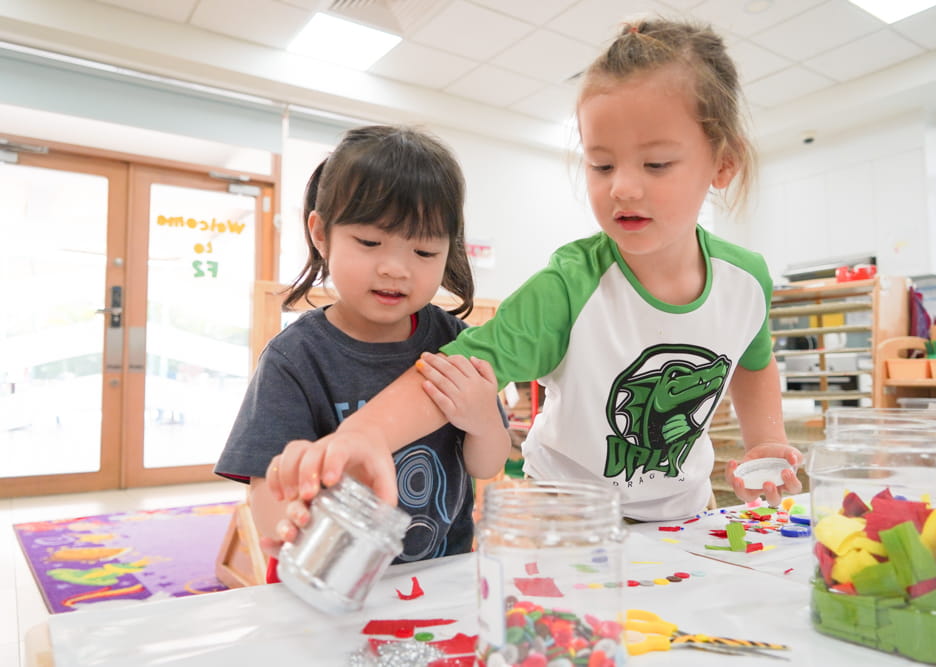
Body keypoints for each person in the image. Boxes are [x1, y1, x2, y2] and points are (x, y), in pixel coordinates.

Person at [265, 17, 803, 548]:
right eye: (601, 165)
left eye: (656, 164)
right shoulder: (568, 286)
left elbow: (752, 364)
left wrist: (767, 440)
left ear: (723, 162)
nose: (624, 188)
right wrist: (362, 436)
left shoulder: (745, 279)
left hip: (684, 513)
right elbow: (453, 373)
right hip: (561, 517)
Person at [215, 125, 511, 572]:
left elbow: (486, 466)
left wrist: (484, 421)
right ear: (320, 233)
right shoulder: (296, 356)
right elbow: (268, 486)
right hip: (333, 575)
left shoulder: (454, 342)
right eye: (370, 243)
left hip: (440, 575)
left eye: (425, 252)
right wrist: (290, 524)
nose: (395, 268)